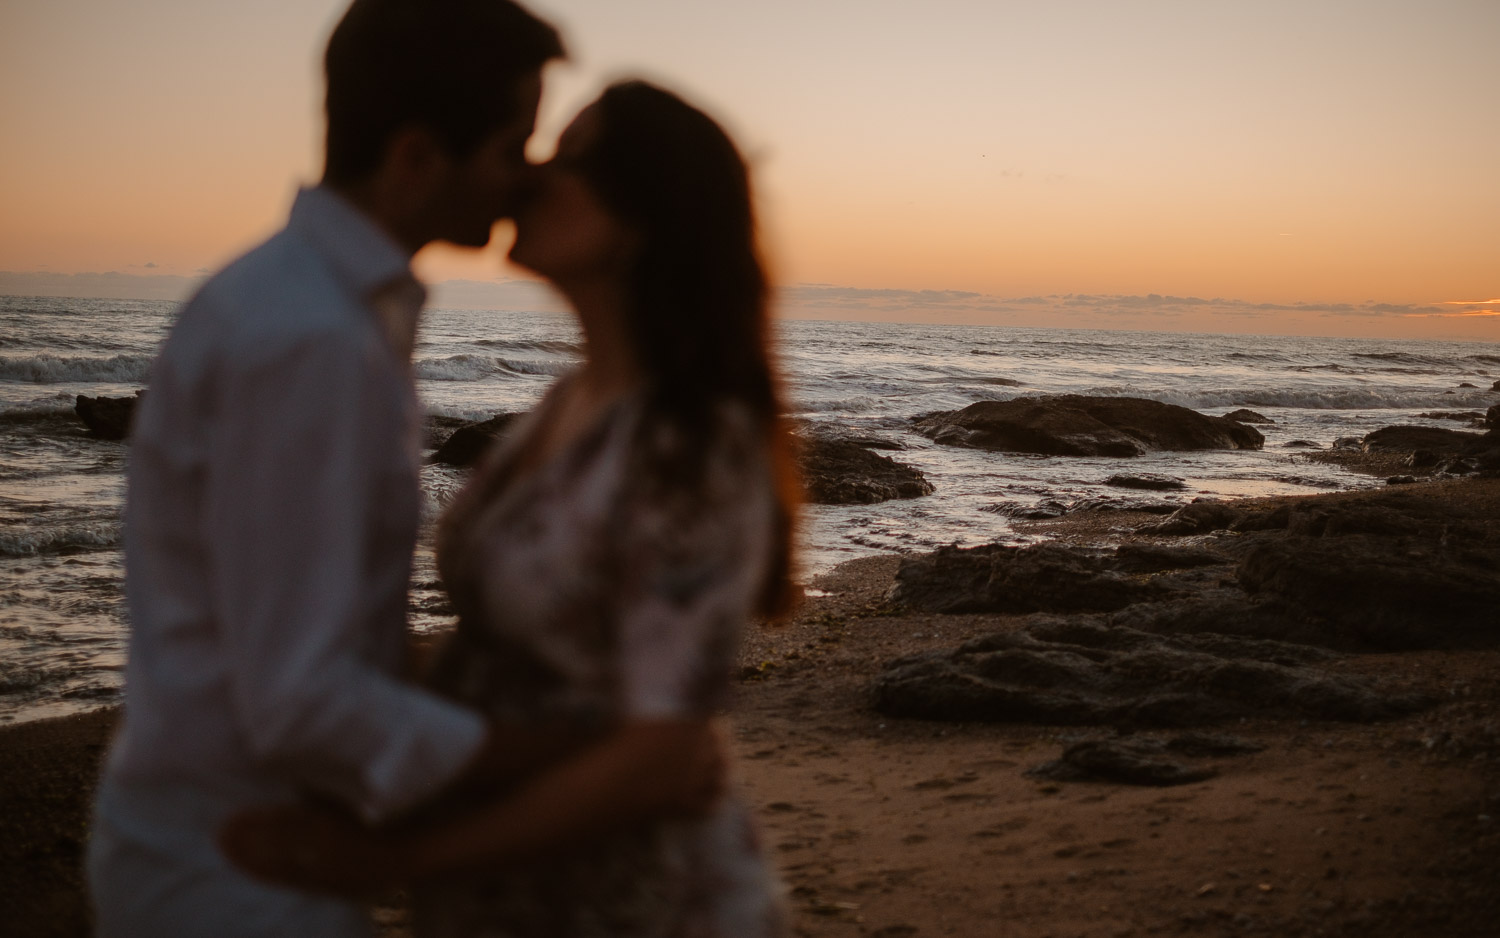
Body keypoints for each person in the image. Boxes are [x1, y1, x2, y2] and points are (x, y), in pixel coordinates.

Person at [88, 5, 715, 937]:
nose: (529, 174)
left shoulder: (302, 305)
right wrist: (564, 750)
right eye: (514, 142)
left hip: (236, 844)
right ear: (417, 158)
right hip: (240, 869)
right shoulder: (313, 343)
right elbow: (306, 699)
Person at [222, 80, 799, 937]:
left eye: (569, 159)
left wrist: (392, 865)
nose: (531, 175)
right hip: (511, 893)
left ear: (645, 214)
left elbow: (662, 758)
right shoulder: (570, 402)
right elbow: (520, 657)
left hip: (641, 903)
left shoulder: (692, 443)